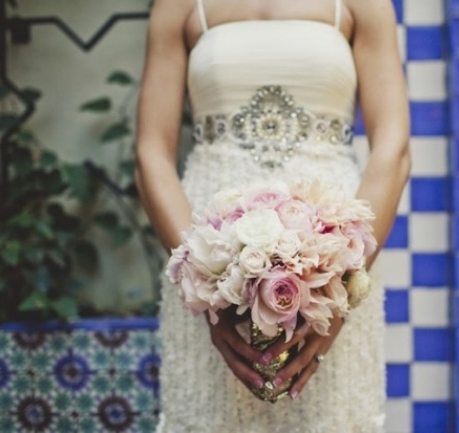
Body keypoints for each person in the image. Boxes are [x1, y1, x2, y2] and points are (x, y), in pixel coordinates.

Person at [135, 0, 411, 430]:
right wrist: (205, 284)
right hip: (206, 256)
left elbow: (393, 150)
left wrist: (340, 286)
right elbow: (151, 154)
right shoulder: (176, 6)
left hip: (335, 256)